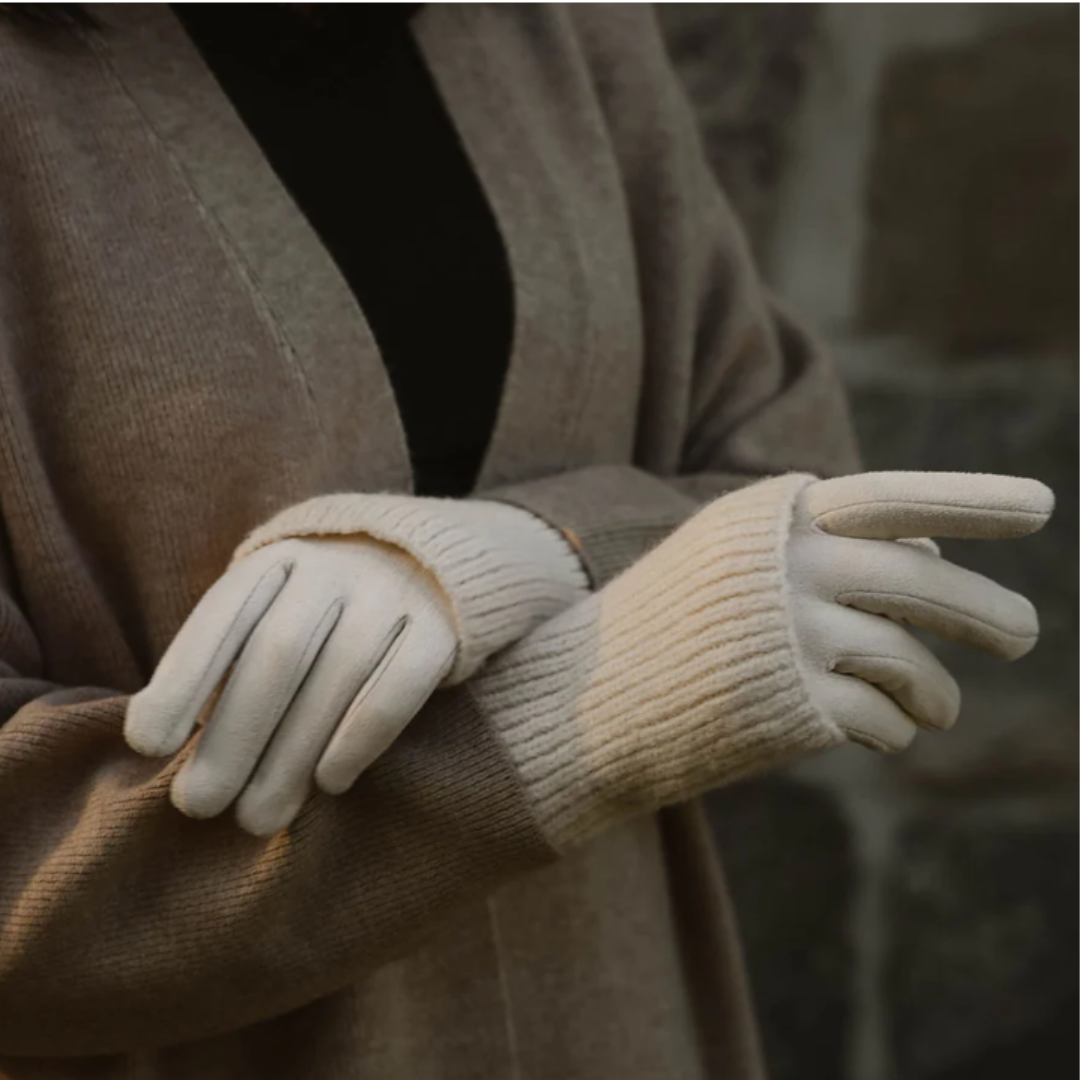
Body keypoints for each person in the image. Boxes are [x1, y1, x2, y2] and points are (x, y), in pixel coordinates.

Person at [0, 5, 1052, 1079]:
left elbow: (799, 474)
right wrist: (559, 722)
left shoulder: (554, 25)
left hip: (616, 1020)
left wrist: (536, 547)